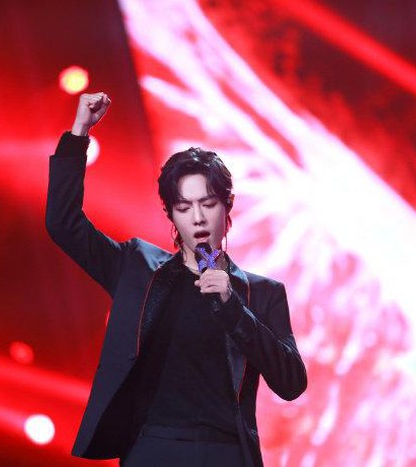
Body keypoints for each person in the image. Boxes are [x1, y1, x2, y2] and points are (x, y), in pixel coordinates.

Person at [46, 92, 307, 466]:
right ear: (170, 214)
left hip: (225, 453)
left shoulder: (262, 293)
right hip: (153, 448)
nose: (198, 218)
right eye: (184, 207)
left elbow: (291, 383)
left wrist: (234, 309)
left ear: (227, 206)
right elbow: (63, 224)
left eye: (208, 204)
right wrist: (79, 134)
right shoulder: (137, 268)